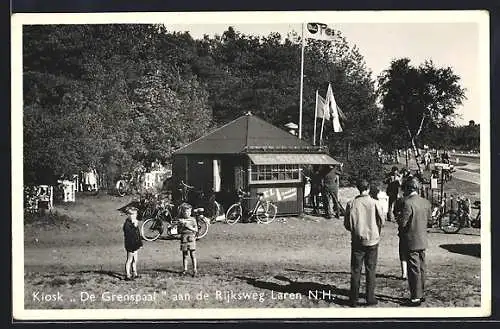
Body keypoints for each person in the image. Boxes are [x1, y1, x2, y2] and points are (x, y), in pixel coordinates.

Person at [344, 179, 386, 307]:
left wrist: (356, 229)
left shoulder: (351, 203)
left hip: (357, 240)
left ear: (358, 188)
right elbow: (382, 221)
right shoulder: (375, 203)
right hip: (373, 239)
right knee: (371, 269)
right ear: (368, 188)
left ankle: (354, 299)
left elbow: (347, 224)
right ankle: (370, 297)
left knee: (355, 270)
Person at [397, 177, 431, 306]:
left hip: (411, 240)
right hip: (422, 239)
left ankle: (415, 297)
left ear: (408, 189)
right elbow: (429, 221)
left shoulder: (408, 203)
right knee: (422, 268)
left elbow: (403, 223)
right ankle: (421, 293)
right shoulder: (425, 202)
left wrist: (399, 217)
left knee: (414, 270)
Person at [178, 203, 198, 277]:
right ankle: (185, 269)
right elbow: (179, 231)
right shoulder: (181, 220)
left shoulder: (193, 220)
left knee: (193, 254)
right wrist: (181, 226)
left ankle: (194, 269)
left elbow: (196, 230)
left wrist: (188, 226)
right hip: (184, 238)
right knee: (185, 255)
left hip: (191, 238)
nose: (188, 213)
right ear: (183, 212)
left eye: (189, 211)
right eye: (186, 212)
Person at [123, 207, 143, 281]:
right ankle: (127, 275)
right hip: (130, 244)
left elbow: (138, 234)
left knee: (135, 259)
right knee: (129, 259)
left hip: (136, 244)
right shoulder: (127, 224)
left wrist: (140, 244)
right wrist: (134, 227)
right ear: (128, 215)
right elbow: (129, 235)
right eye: (132, 214)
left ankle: (135, 273)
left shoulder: (134, 223)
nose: (134, 216)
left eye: (135, 214)